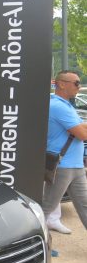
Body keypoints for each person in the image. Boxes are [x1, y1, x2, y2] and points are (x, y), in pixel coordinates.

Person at [42, 70, 87, 231]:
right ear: (61, 84)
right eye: (76, 83)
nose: (79, 87)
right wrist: (80, 128)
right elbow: (83, 134)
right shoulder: (57, 106)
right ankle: (36, 244)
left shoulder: (66, 106)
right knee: (45, 209)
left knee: (85, 207)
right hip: (61, 166)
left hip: (74, 165)